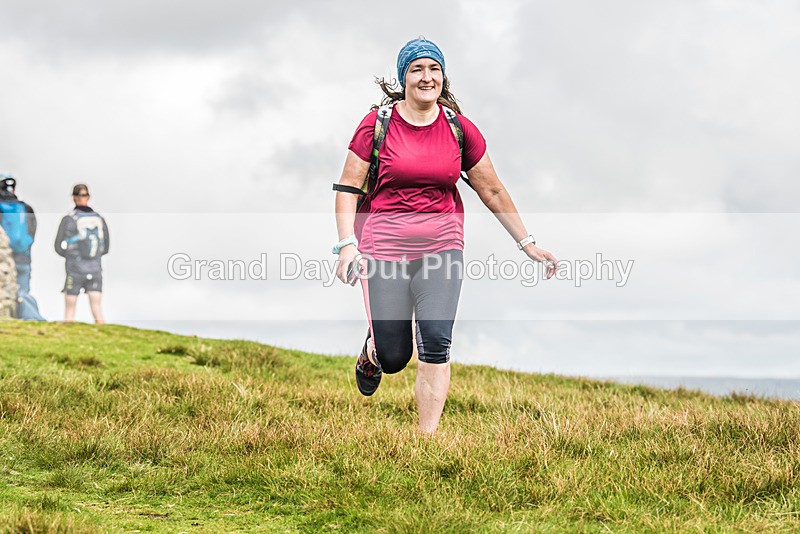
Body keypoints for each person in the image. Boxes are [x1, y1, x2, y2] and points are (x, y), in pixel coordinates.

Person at [333, 38, 558, 434]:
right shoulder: (377, 125)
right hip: (383, 249)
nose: (426, 77)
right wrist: (347, 246)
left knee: (436, 341)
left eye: (433, 69)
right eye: (417, 69)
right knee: (395, 355)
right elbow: (349, 187)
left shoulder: (458, 128)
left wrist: (527, 243)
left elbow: (491, 189)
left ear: (443, 76)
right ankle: (373, 350)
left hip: (442, 248)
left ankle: (427, 441)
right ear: (403, 77)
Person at [54, 184, 110, 323]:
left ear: (73, 198)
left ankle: (68, 335)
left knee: (70, 308)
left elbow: (57, 245)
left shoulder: (69, 218)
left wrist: (69, 255)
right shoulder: (99, 218)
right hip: (95, 267)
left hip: (75, 268)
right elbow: (106, 247)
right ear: (88, 196)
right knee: (97, 309)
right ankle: (103, 336)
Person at [0, 173, 45, 321]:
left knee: (6, 293)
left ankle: (31, 319)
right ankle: (29, 319)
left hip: (4, 260)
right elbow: (32, 232)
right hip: (24, 257)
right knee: (23, 292)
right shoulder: (26, 208)